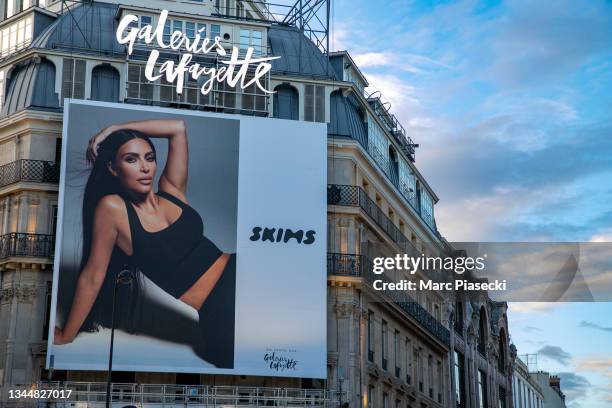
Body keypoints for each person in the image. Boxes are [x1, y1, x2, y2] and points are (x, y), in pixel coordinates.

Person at [53, 119, 235, 368]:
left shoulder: (171, 190)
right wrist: (65, 336)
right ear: (113, 168)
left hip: (240, 272)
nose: (145, 168)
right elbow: (93, 276)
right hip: (218, 310)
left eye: (149, 158)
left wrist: (112, 128)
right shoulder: (113, 208)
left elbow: (177, 128)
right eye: (131, 159)